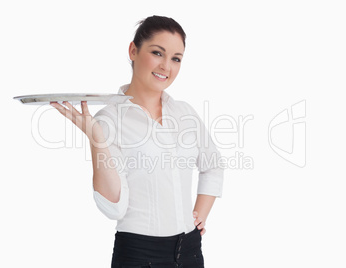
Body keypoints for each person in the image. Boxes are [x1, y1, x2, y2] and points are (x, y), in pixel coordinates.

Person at [51, 15, 224, 268]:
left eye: (176, 58)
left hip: (190, 252)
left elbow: (213, 165)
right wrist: (95, 137)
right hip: (140, 255)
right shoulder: (109, 119)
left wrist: (199, 216)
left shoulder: (185, 113)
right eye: (157, 53)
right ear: (133, 50)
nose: (166, 66)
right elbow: (114, 209)